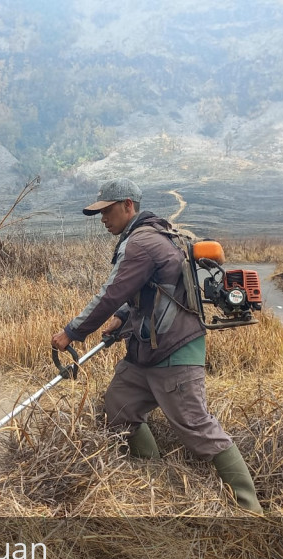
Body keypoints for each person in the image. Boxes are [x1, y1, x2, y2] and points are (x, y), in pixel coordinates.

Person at [51, 178, 263, 513]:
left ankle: (249, 508)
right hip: (147, 350)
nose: (103, 218)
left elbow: (111, 293)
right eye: (99, 212)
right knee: (120, 406)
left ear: (127, 206)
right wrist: (123, 317)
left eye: (107, 211)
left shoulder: (142, 242)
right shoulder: (156, 235)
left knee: (197, 427)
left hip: (173, 350)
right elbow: (150, 289)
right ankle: (153, 476)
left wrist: (72, 332)